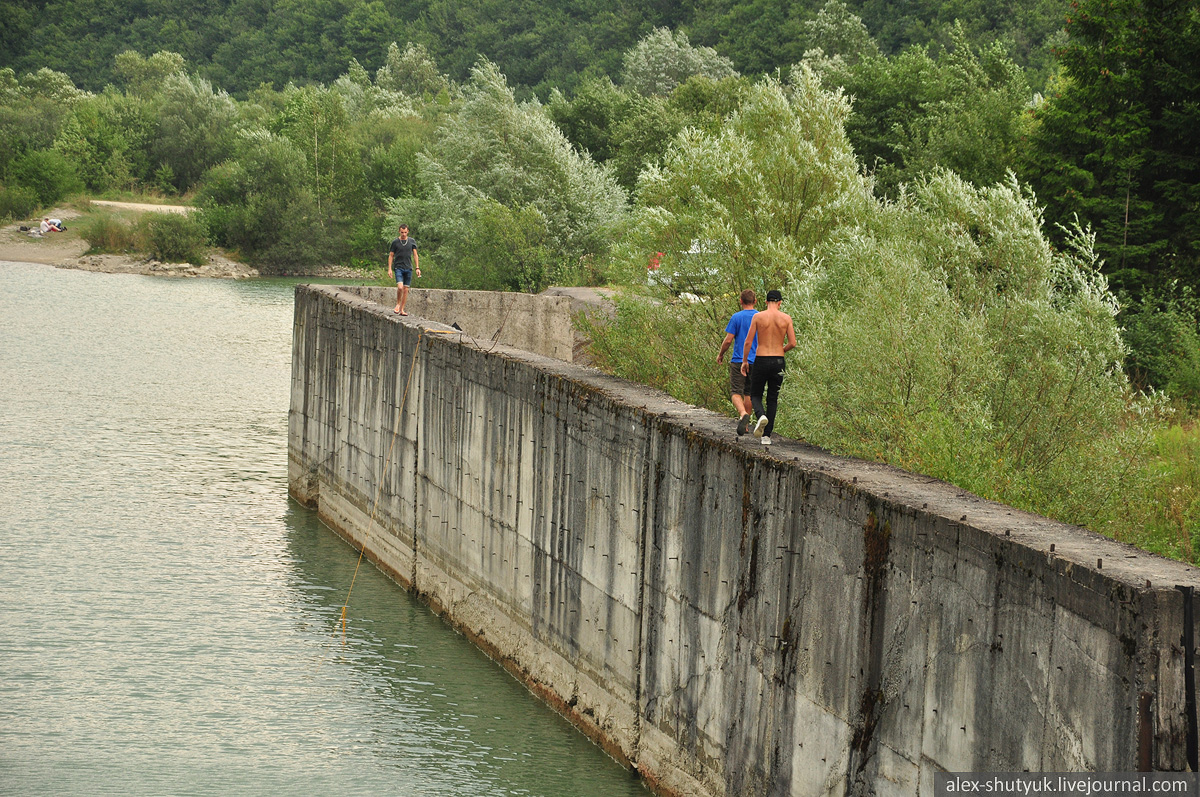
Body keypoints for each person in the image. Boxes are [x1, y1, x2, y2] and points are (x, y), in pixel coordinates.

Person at [741, 289, 796, 446]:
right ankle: (767, 436)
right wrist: (781, 351)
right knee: (772, 398)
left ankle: (761, 416)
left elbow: (748, 342)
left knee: (755, 394)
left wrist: (745, 361)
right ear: (780, 303)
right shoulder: (786, 318)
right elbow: (793, 342)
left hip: (761, 359)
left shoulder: (758, 317)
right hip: (778, 361)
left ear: (765, 302)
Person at [716, 289, 758, 435]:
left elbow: (728, 340)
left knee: (735, 392)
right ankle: (746, 425)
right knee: (749, 393)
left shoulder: (736, 317)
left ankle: (743, 415)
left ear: (741, 301)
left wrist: (721, 354)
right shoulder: (760, 317)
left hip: (738, 360)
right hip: (756, 361)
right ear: (755, 301)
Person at [387, 224, 420, 315]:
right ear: (399, 231)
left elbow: (415, 255)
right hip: (398, 267)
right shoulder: (395, 242)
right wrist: (389, 269)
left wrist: (417, 268)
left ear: (408, 231)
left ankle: (402, 309)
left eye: (405, 232)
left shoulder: (412, 241)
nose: (404, 234)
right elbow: (391, 255)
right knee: (400, 287)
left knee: (406, 289)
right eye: (402, 232)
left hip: (408, 268)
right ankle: (398, 304)